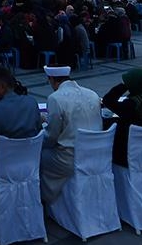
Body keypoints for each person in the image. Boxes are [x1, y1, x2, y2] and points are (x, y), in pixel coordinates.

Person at [40, 65, 101, 204]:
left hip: (69, 158)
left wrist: (43, 125)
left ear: (51, 79)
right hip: (95, 155)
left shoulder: (55, 98)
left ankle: (45, 200)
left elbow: (51, 137)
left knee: (36, 157)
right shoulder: (92, 93)